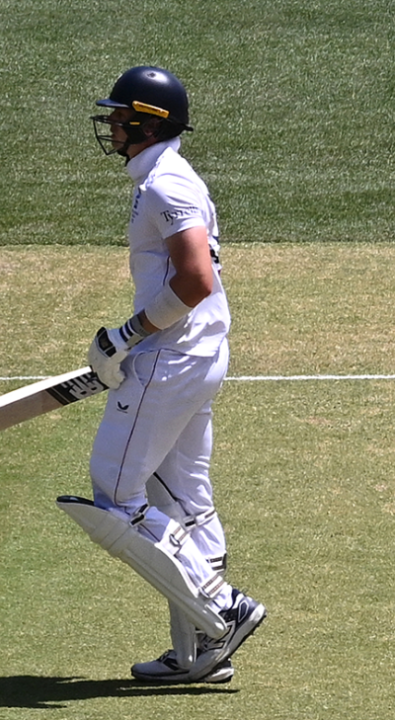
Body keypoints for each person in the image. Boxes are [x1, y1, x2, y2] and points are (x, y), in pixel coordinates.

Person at [72, 65, 265, 682]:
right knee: (185, 503)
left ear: (149, 122)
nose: (112, 125)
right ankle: (199, 654)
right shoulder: (161, 177)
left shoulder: (166, 184)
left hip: (170, 359)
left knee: (116, 497)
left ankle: (221, 609)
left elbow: (195, 279)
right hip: (196, 354)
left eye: (120, 116)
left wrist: (126, 336)